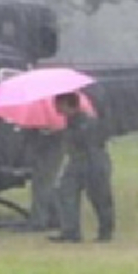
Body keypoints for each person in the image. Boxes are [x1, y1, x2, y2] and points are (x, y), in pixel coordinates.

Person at [49, 92, 114, 243]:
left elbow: (91, 141)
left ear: (67, 104)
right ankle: (70, 231)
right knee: (66, 193)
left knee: (100, 198)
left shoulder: (87, 121)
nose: (56, 108)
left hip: (93, 162)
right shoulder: (70, 122)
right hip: (77, 162)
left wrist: (70, 135)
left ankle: (105, 232)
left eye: (58, 104)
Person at [26, 128, 64, 231]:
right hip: (48, 152)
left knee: (42, 186)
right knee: (47, 186)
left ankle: (38, 221)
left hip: (50, 153)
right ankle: (56, 218)